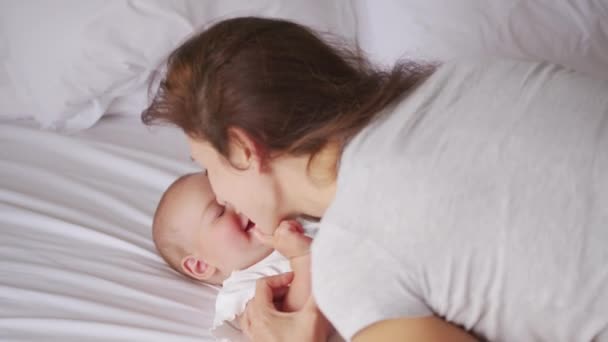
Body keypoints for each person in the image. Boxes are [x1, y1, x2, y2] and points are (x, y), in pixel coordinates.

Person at [142, 16, 608, 342]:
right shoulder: (475, 74)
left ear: (245, 149)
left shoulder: (352, 263)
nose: (218, 189)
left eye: (207, 166)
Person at [152, 171, 315, 339]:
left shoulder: (295, 218)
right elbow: (291, 326)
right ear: (201, 265)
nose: (239, 205)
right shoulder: (243, 291)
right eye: (220, 212)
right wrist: (302, 259)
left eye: (231, 194)